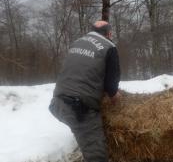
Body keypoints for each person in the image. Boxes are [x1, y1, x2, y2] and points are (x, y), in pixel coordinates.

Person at [49, 20, 120, 162]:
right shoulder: (109, 47)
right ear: (109, 33)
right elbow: (111, 87)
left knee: (82, 133)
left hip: (57, 103)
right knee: (97, 156)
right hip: (79, 110)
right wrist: (115, 97)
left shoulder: (77, 42)